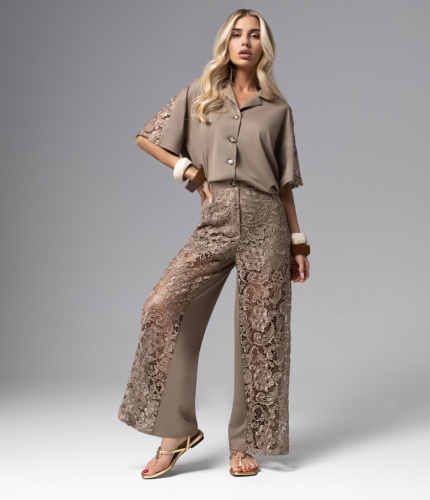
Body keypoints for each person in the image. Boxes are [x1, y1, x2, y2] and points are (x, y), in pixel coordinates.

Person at [117, 8, 310, 478]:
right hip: (217, 219)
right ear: (225, 42)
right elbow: (147, 137)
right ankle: (176, 430)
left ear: (264, 47)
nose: (245, 42)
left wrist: (298, 242)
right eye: (237, 34)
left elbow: (285, 184)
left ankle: (244, 444)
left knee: (261, 333)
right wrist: (188, 169)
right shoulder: (199, 96)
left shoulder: (278, 110)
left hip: (266, 223)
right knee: (163, 305)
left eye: (254, 35)